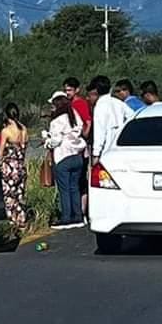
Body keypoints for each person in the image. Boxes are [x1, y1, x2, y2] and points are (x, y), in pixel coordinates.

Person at [44, 93, 87, 228]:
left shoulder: (56, 122)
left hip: (63, 157)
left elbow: (56, 141)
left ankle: (66, 217)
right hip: (77, 155)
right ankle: (78, 215)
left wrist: (47, 141)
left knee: (64, 189)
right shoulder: (74, 116)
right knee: (74, 187)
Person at [63, 76, 92, 216]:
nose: (67, 93)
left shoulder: (80, 104)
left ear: (77, 90)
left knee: (80, 180)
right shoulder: (68, 104)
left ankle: (82, 209)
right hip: (71, 147)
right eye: (66, 90)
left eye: (70, 90)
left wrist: (84, 137)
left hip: (79, 146)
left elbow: (87, 121)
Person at [0, 102, 29, 231]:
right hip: (21, 166)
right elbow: (24, 148)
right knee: (19, 194)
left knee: (9, 195)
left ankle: (13, 222)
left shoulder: (6, 131)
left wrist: (0, 163)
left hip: (10, 167)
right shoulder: (24, 129)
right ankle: (22, 220)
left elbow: (1, 150)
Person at [89, 74, 131, 162]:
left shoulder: (100, 106)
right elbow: (132, 117)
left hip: (106, 151)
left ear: (95, 90)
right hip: (121, 148)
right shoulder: (119, 103)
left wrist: (96, 153)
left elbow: (99, 131)